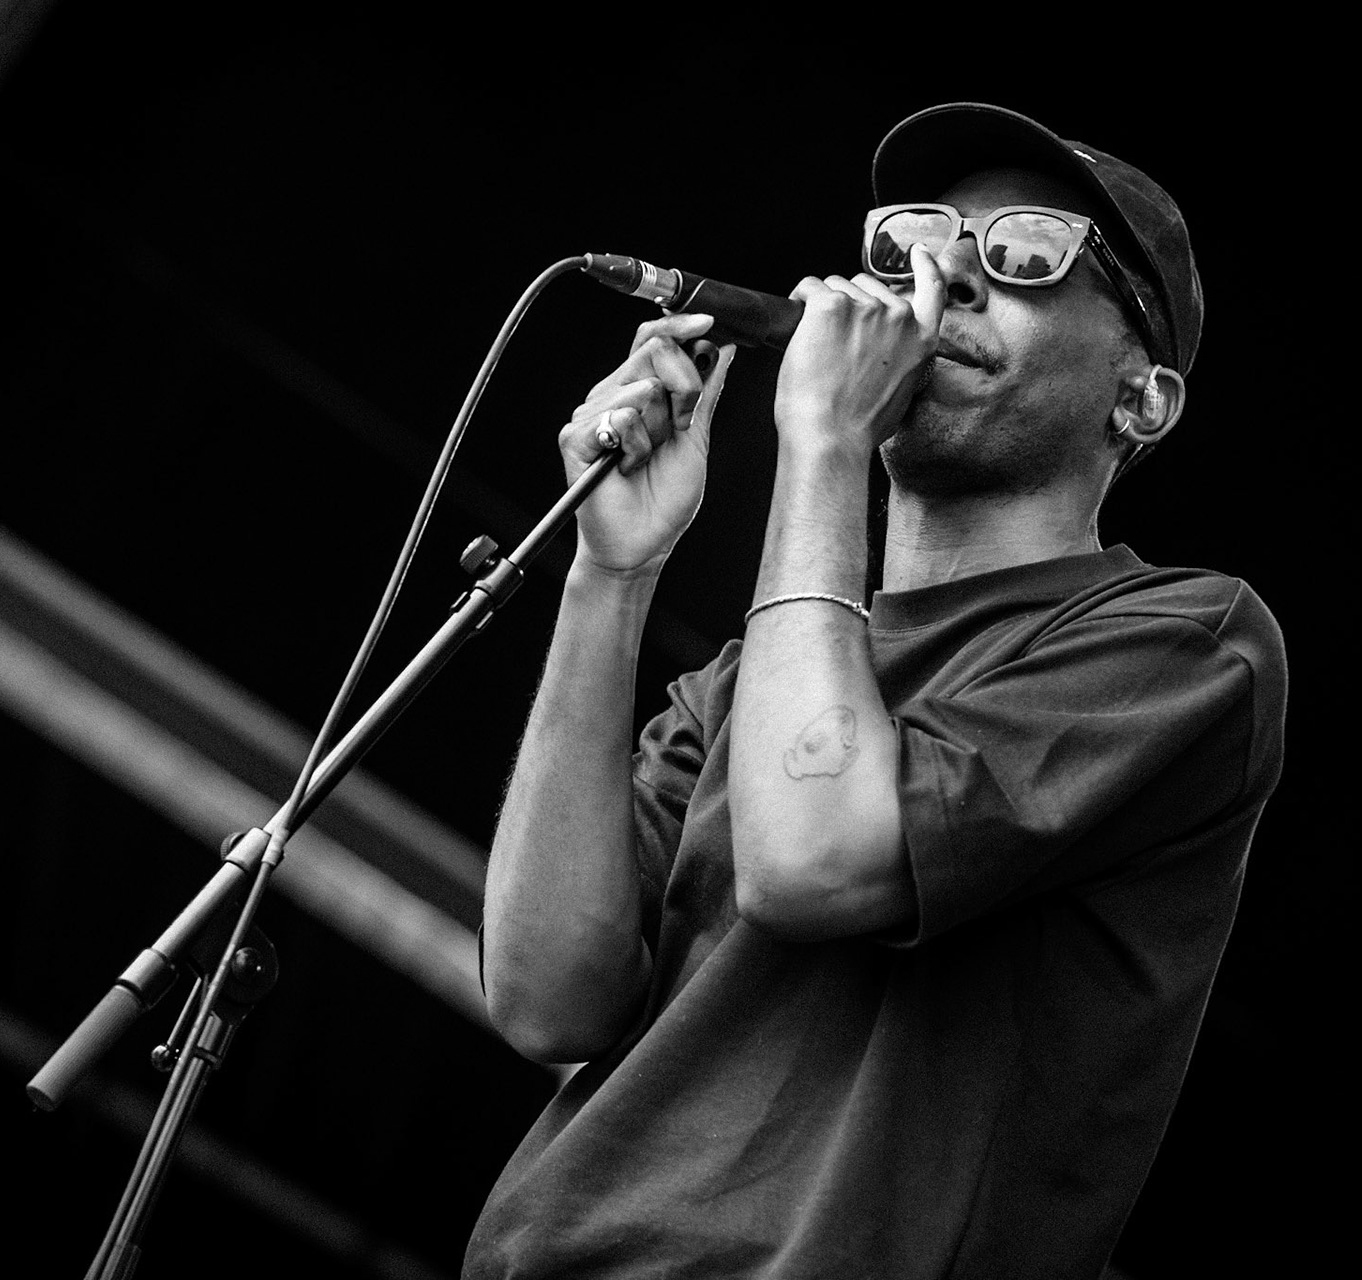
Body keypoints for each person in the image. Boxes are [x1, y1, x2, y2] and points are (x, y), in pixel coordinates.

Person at [462, 102, 1287, 1279]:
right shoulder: (749, 678)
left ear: (1141, 399)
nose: (940, 279)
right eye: (912, 241)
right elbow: (549, 997)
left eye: (1025, 253)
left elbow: (812, 859)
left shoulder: (1183, 642)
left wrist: (823, 444)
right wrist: (613, 573)